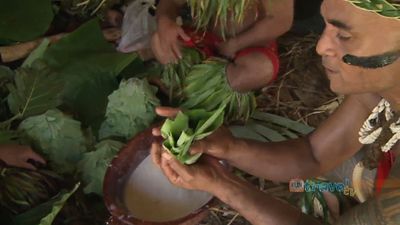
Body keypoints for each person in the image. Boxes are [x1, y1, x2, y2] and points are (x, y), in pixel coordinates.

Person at [151, 0, 400, 224]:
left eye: (343, 35)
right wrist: (227, 147)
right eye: (325, 27)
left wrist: (224, 185)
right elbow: (313, 155)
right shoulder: (375, 93)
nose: (321, 46)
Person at [151, 0, 295, 92]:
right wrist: (165, 21)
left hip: (249, 43)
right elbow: (170, 3)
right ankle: (188, 88)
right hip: (202, 37)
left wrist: (236, 44)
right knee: (158, 41)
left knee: (261, 69)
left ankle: (207, 92)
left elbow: (281, 20)